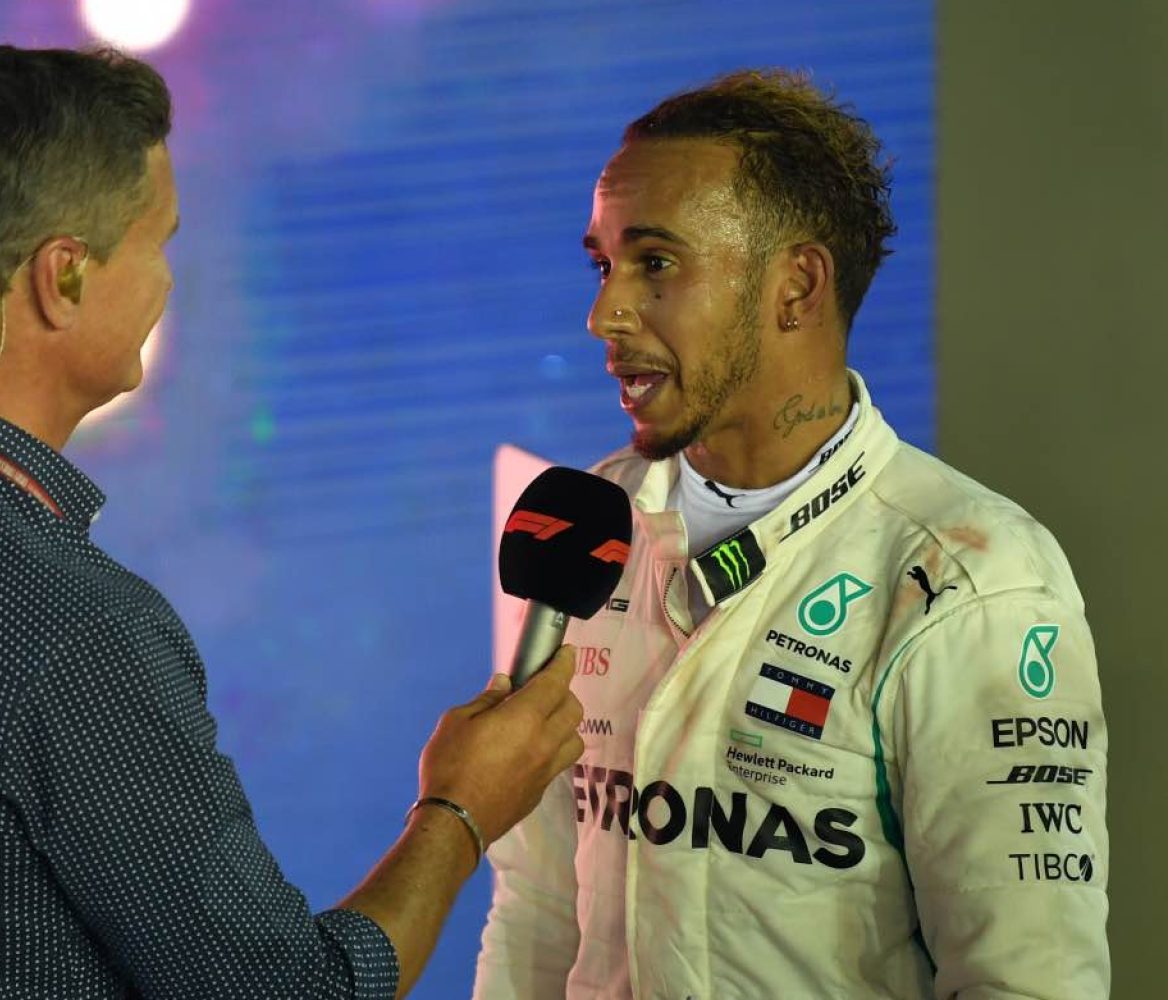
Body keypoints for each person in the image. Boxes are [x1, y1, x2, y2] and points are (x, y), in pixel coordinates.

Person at [0, 44, 584, 1000]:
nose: (169, 283)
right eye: (158, 241)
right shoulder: (72, 629)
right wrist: (457, 812)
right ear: (65, 276)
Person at [474, 69, 1110, 998]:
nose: (604, 314)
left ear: (796, 285)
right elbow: (536, 911)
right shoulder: (574, 527)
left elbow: (1027, 979)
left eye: (655, 263)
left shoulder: (972, 577)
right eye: (602, 263)